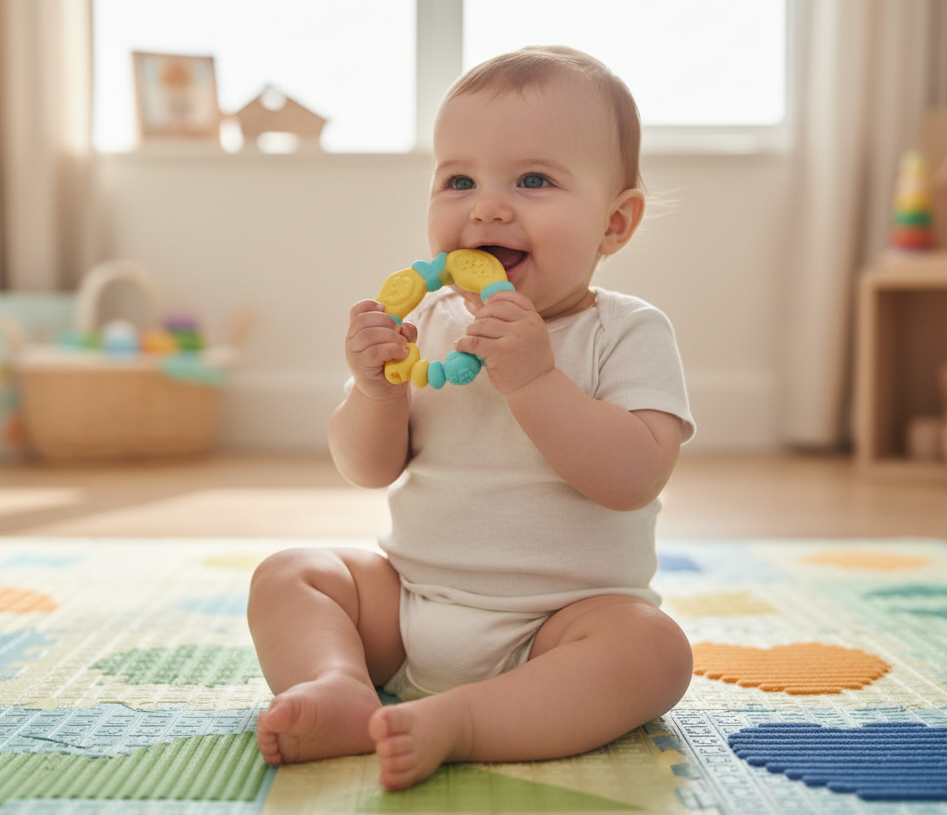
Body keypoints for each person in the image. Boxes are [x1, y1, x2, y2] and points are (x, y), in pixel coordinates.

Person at [247, 45, 696, 792]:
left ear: (614, 224)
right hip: (413, 601)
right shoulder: (428, 318)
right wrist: (375, 393)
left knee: (652, 651)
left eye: (533, 180)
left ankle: (470, 721)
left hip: (560, 625)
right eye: (458, 180)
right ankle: (340, 686)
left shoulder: (627, 332)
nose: (486, 206)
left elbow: (634, 476)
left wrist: (537, 381)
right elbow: (366, 468)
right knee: (291, 574)